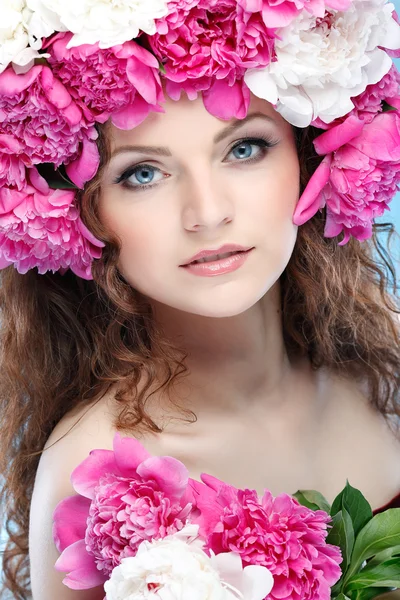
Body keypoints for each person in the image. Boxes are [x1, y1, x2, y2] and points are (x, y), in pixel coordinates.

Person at [0, 1, 400, 599]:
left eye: (244, 149)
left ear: (313, 157)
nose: (208, 213)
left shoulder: (383, 360)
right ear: (79, 214)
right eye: (141, 174)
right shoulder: (95, 472)